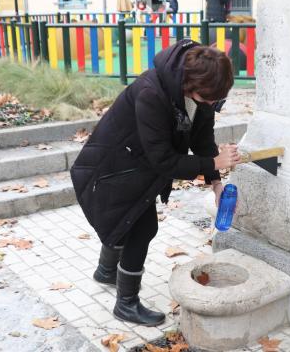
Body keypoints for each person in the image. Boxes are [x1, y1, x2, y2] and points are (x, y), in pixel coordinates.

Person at [70, 40, 239, 326]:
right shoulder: (152, 92)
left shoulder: (200, 92)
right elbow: (163, 160)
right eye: (210, 99)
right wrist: (213, 163)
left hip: (138, 165)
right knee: (142, 226)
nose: (213, 104)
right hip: (113, 168)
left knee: (126, 221)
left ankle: (106, 271)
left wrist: (217, 184)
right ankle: (126, 303)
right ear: (190, 85)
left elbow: (202, 141)